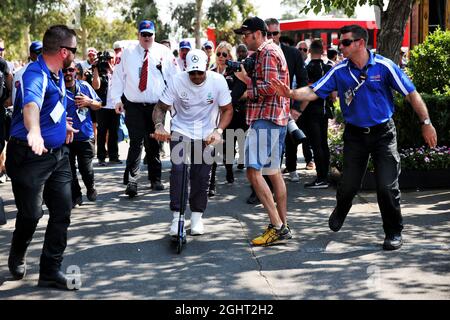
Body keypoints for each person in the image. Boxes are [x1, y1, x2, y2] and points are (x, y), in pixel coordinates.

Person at [272, 24, 438, 250]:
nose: (341, 46)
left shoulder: (384, 66)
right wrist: (291, 93)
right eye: (340, 42)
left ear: (360, 43)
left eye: (346, 42)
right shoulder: (340, 71)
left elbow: (411, 93)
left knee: (387, 186)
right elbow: (313, 90)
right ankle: (342, 208)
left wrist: (426, 123)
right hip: (355, 136)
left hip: (383, 134)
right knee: (348, 184)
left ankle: (393, 232)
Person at [6, 25, 79, 289]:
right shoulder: (35, 75)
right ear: (63, 51)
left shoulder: (57, 72)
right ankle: (17, 252)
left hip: (58, 156)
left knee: (62, 211)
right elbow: (30, 106)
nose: (75, 54)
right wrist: (35, 131)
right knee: (32, 214)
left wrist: (62, 127)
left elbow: (51, 107)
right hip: (29, 156)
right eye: (73, 49)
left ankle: (50, 270)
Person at [152, 49, 233, 237]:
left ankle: (196, 216)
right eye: (192, 72)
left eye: (200, 72)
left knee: (201, 175)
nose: (196, 76)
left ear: (206, 67)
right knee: (179, 170)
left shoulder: (218, 81)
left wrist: (218, 130)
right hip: (181, 129)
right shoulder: (176, 81)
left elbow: (227, 109)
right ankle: (177, 217)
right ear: (186, 69)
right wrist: (159, 126)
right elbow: (160, 107)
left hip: (206, 133)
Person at [234, 17, 292, 246]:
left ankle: (277, 226)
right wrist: (247, 78)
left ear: (258, 33)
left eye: (246, 35)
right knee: (272, 171)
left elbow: (270, 87)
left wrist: (246, 88)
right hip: (276, 118)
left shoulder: (267, 52)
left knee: (253, 172)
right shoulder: (269, 50)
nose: (243, 39)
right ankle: (283, 225)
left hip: (266, 118)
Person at [111, 20, 180, 197]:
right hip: (133, 105)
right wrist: (116, 100)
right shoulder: (127, 53)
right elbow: (118, 77)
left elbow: (175, 78)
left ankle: (155, 179)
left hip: (156, 107)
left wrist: (174, 102)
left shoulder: (163, 52)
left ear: (154, 35)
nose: (147, 37)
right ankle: (132, 181)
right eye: (144, 34)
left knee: (154, 142)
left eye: (150, 34)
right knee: (136, 142)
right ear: (138, 35)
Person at [265, 18, 308, 183]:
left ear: (279, 33)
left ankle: (291, 168)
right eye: (268, 33)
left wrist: (297, 108)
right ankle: (264, 188)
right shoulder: (258, 54)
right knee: (267, 150)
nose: (271, 37)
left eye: (274, 33)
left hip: (287, 109)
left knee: (288, 143)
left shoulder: (293, 53)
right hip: (266, 110)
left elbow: (303, 81)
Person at [64, 61, 102, 208]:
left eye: (71, 70)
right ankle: (76, 195)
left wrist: (89, 101)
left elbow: (99, 105)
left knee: (86, 168)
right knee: (69, 169)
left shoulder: (84, 87)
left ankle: (90, 187)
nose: (68, 73)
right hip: (65, 136)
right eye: (64, 71)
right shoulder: (57, 89)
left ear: (76, 72)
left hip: (85, 135)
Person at [301, 39, 332, 189]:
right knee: (323, 144)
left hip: (312, 111)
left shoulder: (308, 69)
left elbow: (308, 92)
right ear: (322, 51)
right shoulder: (328, 68)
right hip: (325, 110)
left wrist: (299, 110)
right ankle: (325, 176)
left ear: (310, 51)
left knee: (316, 144)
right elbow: (333, 94)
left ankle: (321, 178)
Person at [92, 50, 121, 166]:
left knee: (114, 132)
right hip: (102, 107)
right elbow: (96, 86)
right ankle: (101, 157)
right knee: (102, 133)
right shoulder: (99, 71)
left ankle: (114, 156)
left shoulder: (118, 70)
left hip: (115, 106)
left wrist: (112, 70)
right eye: (107, 58)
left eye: (111, 58)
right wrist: (95, 69)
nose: (109, 60)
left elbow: (121, 83)